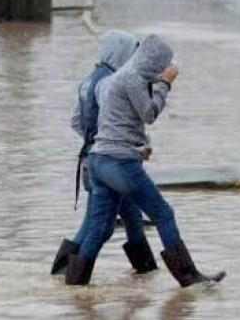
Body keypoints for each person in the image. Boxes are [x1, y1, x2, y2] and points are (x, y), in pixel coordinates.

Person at [65, 35, 225, 288]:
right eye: (161, 65)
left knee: (98, 229)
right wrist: (165, 84)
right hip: (118, 163)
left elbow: (120, 124)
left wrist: (139, 146)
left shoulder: (113, 79)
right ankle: (188, 277)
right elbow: (149, 114)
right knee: (163, 213)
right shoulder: (132, 78)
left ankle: (74, 286)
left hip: (97, 161)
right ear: (153, 62)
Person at [51, 31, 159, 278]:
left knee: (131, 216)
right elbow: (122, 122)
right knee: (97, 225)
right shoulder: (112, 82)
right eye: (131, 52)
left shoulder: (88, 80)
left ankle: (146, 274)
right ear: (121, 52)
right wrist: (120, 144)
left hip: (91, 161)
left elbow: (75, 121)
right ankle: (65, 273)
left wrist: (92, 142)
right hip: (113, 161)